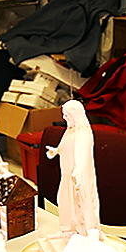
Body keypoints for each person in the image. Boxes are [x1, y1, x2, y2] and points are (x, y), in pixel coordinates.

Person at [46, 100, 101, 238]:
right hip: (67, 176)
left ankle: (85, 232)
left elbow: (83, 156)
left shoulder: (83, 134)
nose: (65, 118)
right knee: (65, 199)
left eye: (67, 115)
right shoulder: (70, 131)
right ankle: (67, 228)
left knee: (80, 203)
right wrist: (56, 151)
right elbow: (64, 144)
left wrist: (78, 172)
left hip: (78, 177)